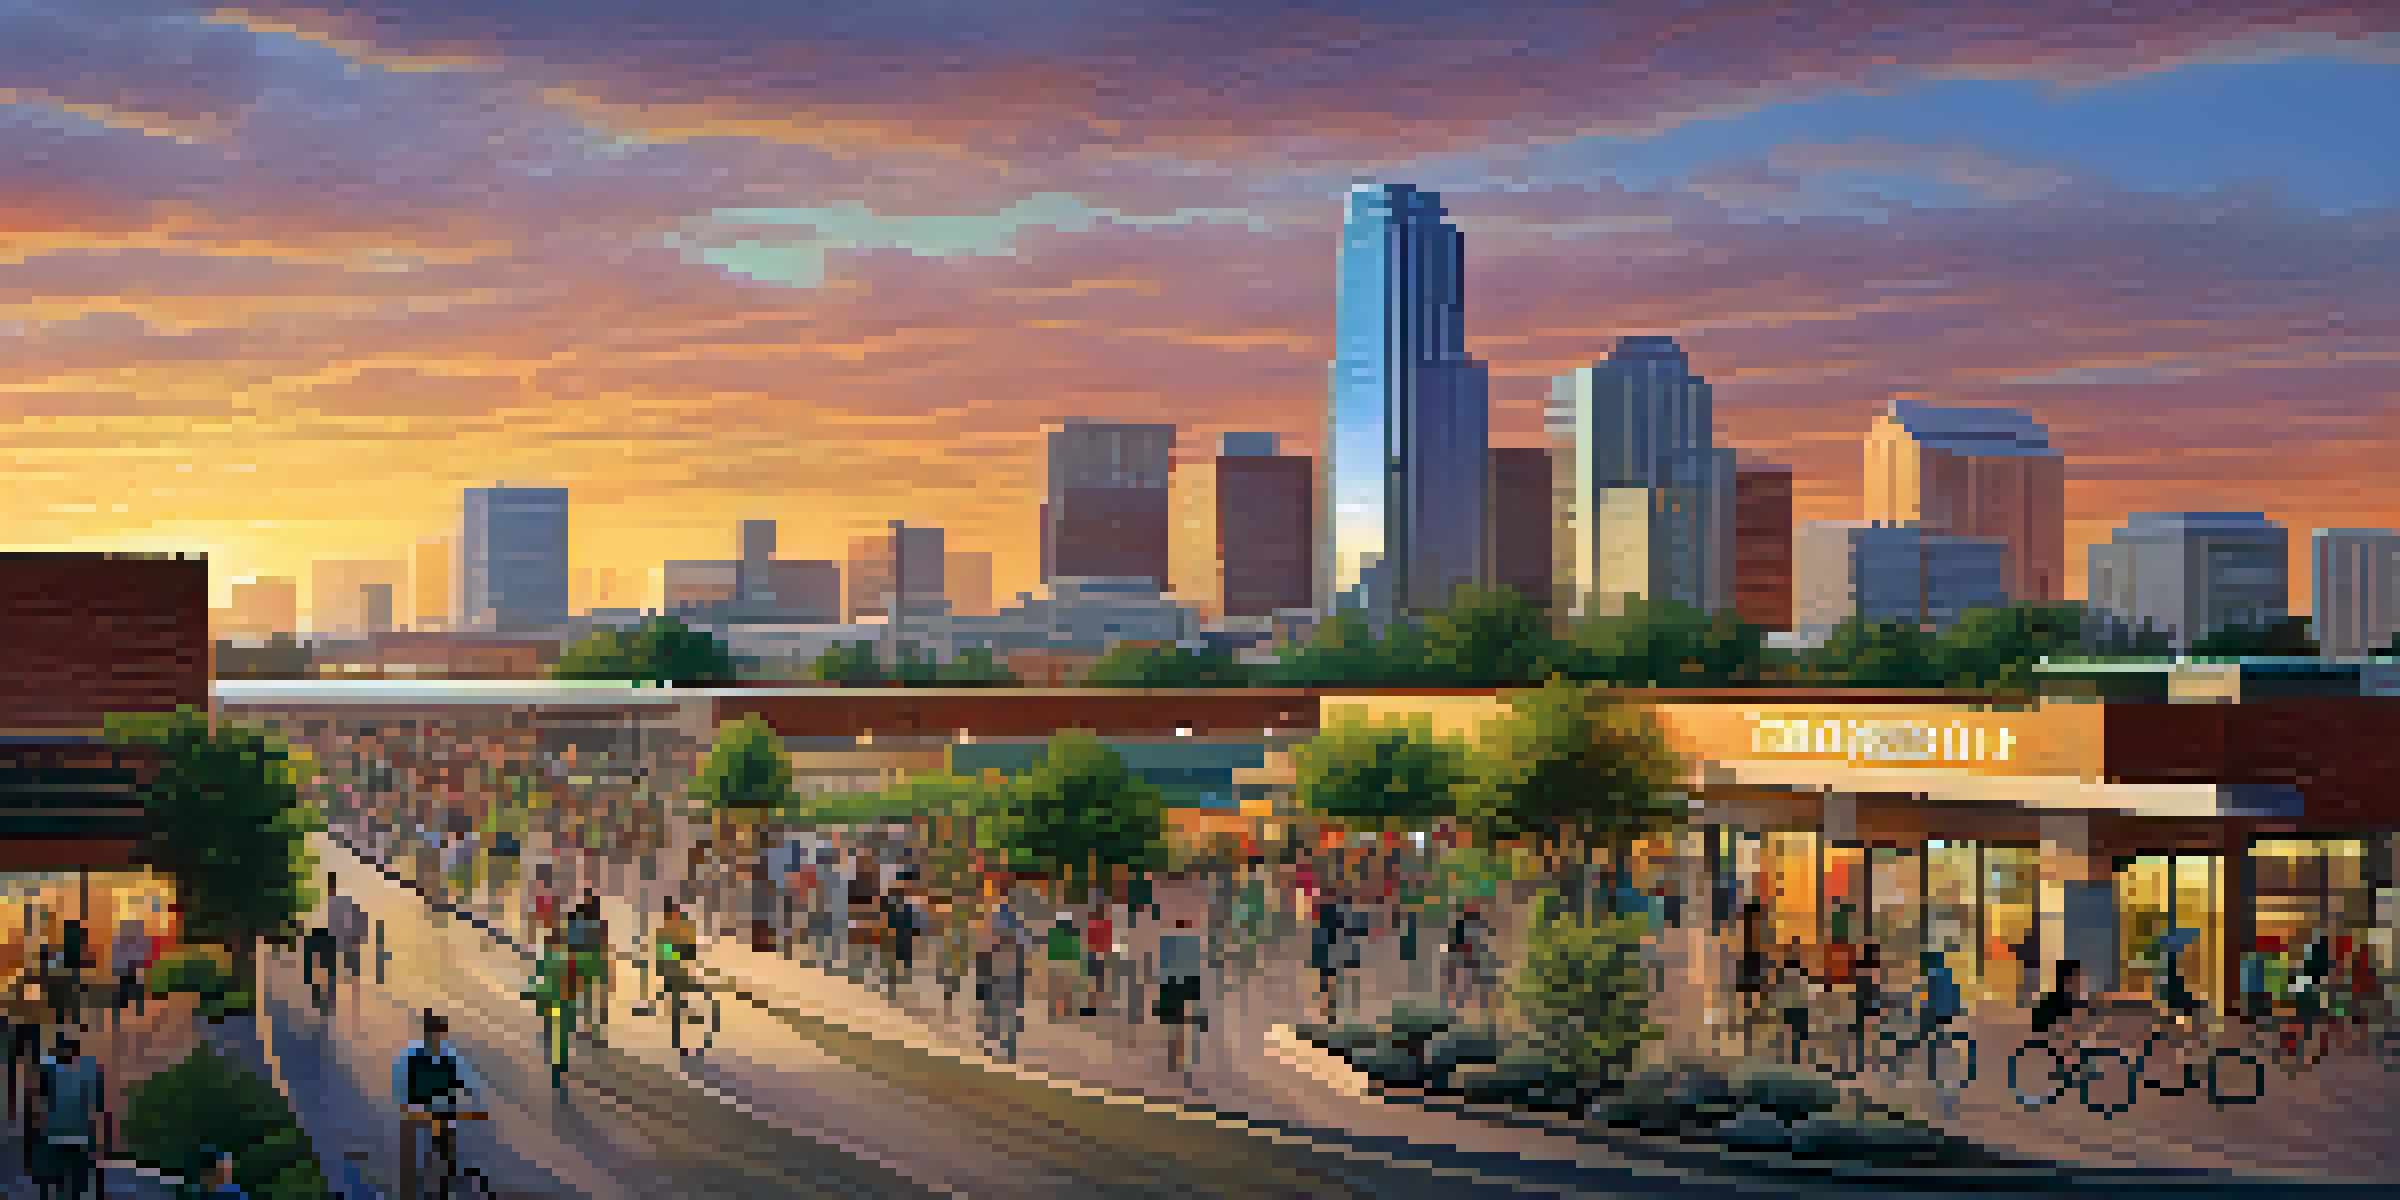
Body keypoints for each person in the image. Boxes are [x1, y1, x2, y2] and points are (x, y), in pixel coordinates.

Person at [392, 1012, 488, 1195]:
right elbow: (404, 1085)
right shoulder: (417, 1056)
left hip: (439, 1114)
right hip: (419, 1113)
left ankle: (442, 1185)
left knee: (444, 1155)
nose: (438, 1036)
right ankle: (410, 1186)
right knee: (412, 1154)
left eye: (440, 1033)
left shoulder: (446, 1056)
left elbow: (458, 1084)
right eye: (435, 1032)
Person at [34, 1032, 107, 1200]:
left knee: (55, 1183)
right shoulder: (88, 1068)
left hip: (56, 1135)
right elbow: (98, 1103)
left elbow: (39, 1101)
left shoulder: (49, 1068)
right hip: (77, 1136)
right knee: (74, 1186)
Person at [522, 932, 578, 1086]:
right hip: (557, 1001)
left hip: (558, 1001)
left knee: (557, 1033)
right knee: (557, 1033)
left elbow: (537, 977)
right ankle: (558, 1065)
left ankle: (558, 1065)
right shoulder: (563, 959)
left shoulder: (555, 959)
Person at [1155, 918, 1205, 1076]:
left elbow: (1164, 965)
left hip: (1172, 984)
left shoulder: (1167, 941)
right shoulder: (1192, 942)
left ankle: (1175, 1056)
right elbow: (1195, 965)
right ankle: (1181, 1056)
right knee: (1184, 1022)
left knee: (1175, 1022)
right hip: (1185, 984)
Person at [655, 899, 701, 1055]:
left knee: (682, 1007)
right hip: (675, 973)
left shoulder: (678, 928)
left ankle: (683, 1040)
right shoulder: (668, 930)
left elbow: (690, 950)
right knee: (679, 1008)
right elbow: (665, 954)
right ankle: (679, 1042)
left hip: (680, 972)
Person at [328, 874, 368, 981]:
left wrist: (360, 933)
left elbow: (359, 915)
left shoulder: (343, 901)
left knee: (350, 958)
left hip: (348, 935)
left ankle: (353, 977)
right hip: (340, 937)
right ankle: (349, 976)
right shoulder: (333, 901)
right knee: (345, 958)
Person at [110, 918, 148, 1025]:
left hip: (131, 968)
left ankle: (132, 1012)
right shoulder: (123, 940)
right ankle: (120, 1013)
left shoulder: (137, 940)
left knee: (132, 989)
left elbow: (142, 953)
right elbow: (117, 954)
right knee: (126, 989)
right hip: (127, 968)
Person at [1045, 912, 1082, 1020]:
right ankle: (1067, 1010)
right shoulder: (1074, 933)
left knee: (1058, 988)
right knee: (1068, 988)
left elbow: (1051, 950)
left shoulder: (1053, 932)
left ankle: (1057, 1011)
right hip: (1070, 963)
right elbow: (1076, 949)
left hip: (1056, 963)